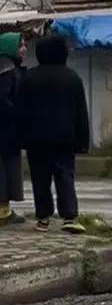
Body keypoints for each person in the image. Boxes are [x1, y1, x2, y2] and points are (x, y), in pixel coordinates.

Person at [16, 35, 89, 234]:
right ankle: (70, 217)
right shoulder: (72, 77)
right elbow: (80, 113)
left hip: (36, 139)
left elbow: (20, 111)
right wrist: (83, 141)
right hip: (65, 138)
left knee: (40, 177)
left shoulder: (29, 78)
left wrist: (20, 138)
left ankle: (43, 218)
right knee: (65, 175)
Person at [0, 33, 26, 226]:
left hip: (6, 130)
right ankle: (3, 211)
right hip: (6, 131)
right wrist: (18, 113)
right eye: (20, 46)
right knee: (6, 171)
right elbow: (3, 100)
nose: (24, 49)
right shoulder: (7, 70)